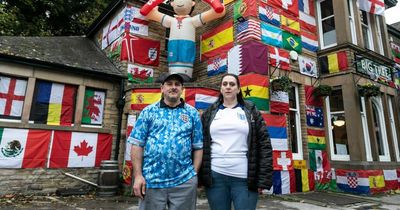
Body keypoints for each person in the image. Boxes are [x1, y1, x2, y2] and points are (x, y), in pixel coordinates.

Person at [128, 72, 203, 210]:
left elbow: (198, 146)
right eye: (169, 84)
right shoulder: (148, 112)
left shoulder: (192, 113)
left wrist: (194, 175)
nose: (173, 87)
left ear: (182, 89)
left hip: (184, 182)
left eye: (177, 84)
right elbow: (137, 144)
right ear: (162, 88)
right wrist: (138, 176)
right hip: (152, 180)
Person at [200, 73, 273, 210]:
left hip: (244, 178)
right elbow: (201, 144)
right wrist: (199, 177)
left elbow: (264, 144)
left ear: (238, 89)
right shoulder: (209, 113)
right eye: (225, 84)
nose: (228, 87)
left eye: (232, 84)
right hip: (215, 177)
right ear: (221, 89)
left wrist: (263, 178)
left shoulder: (251, 110)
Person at [139, 0, 225, 80]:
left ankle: (186, 77)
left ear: (192, 3)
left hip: (186, 52)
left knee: (185, 71)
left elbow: (218, 11)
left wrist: (214, 3)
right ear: (172, 4)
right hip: (173, 50)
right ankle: (172, 78)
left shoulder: (192, 20)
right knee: (172, 72)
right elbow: (147, 13)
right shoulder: (171, 20)